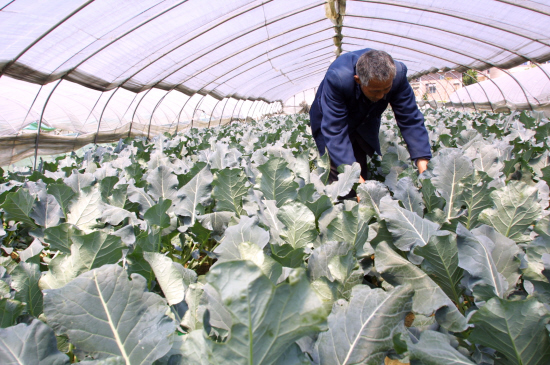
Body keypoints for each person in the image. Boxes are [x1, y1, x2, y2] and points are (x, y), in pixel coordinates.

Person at [309, 48, 431, 187]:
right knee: (340, 175)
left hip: (364, 118)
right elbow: (335, 130)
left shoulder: (398, 75)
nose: (380, 96)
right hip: (329, 118)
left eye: (386, 90)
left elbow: (410, 118)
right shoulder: (338, 78)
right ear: (358, 80)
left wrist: (423, 162)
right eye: (375, 91)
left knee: (359, 166)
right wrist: (354, 180)